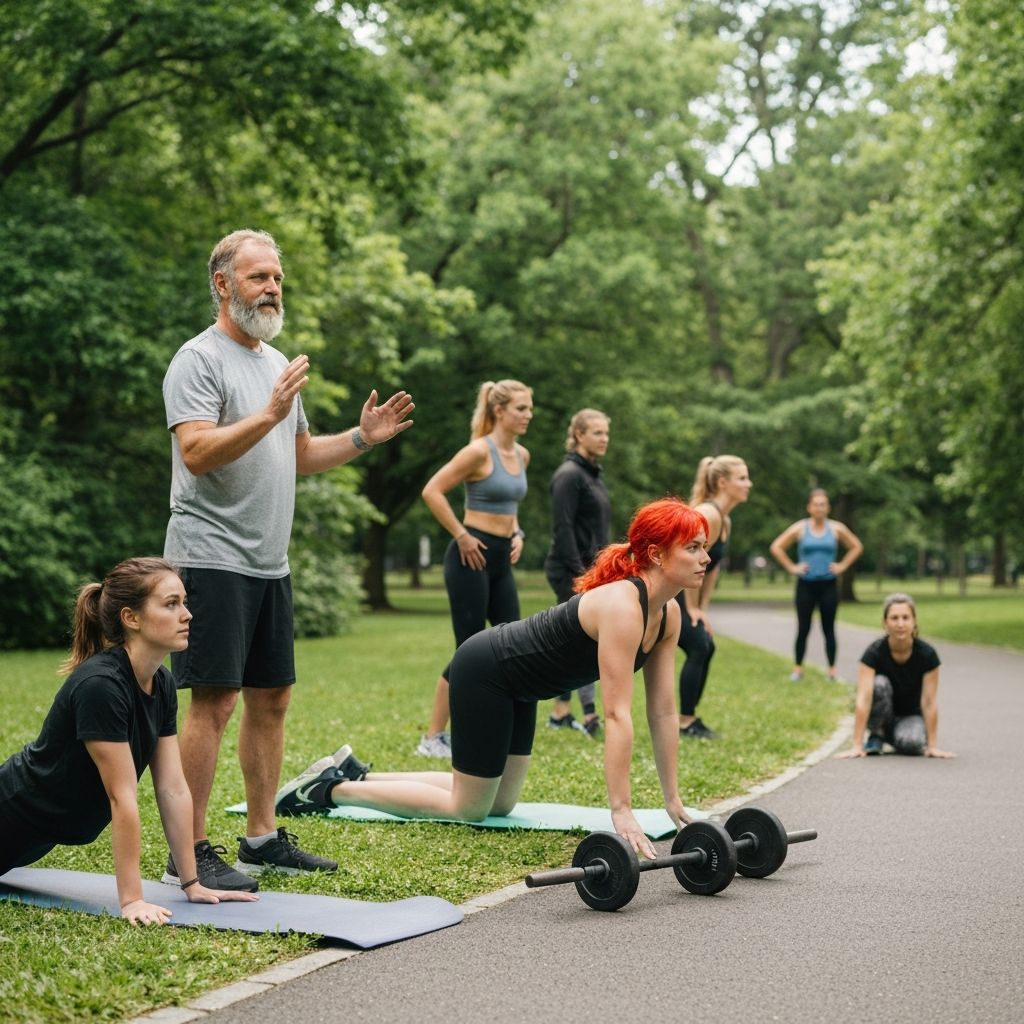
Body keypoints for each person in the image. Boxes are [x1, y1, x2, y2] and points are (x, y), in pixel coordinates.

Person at [162, 228, 414, 890]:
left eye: (277, 277)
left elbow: (299, 455)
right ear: (223, 285)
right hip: (210, 555)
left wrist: (363, 436)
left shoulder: (277, 365)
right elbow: (195, 451)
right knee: (213, 703)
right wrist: (270, 414)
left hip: (269, 561)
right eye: (258, 277)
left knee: (271, 697)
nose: (273, 287)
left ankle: (262, 839)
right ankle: (187, 850)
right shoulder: (198, 359)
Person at [276, 498, 711, 858]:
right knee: (468, 808)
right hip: (488, 670)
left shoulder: (667, 614)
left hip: (523, 689)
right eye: (692, 547)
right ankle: (332, 790)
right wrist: (621, 810)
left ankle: (358, 774)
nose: (705, 559)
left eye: (704, 547)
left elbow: (664, 711)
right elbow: (616, 715)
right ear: (656, 554)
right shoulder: (622, 606)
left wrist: (672, 800)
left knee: (499, 804)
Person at [0, 559, 259, 924]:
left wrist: (192, 883)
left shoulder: (162, 682)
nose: (186, 614)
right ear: (131, 618)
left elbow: (172, 788)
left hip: (29, 835)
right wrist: (132, 900)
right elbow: (121, 795)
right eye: (171, 604)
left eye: (184, 602)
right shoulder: (101, 687)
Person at [415, 380, 533, 759]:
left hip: (500, 559)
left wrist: (517, 533)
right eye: (521, 408)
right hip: (470, 556)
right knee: (469, 651)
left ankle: (497, 726)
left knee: (512, 643)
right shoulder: (478, 452)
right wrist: (462, 535)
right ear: (499, 411)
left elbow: (510, 507)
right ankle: (433, 737)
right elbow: (432, 490)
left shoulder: (523, 455)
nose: (528, 415)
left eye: (530, 408)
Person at [543, 408, 612, 735]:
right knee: (583, 641)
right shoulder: (568, 475)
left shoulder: (593, 475)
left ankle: (561, 713)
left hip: (593, 570)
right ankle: (587, 716)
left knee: (578, 641)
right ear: (579, 435)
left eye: (606, 433)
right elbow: (563, 528)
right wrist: (580, 574)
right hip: (571, 570)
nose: (604, 439)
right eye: (597, 432)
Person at [676, 455, 752, 739]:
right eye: (742, 478)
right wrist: (691, 608)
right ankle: (685, 721)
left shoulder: (724, 520)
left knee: (704, 646)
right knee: (699, 646)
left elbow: (711, 569)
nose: (749, 483)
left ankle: (688, 718)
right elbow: (687, 559)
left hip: (689, 595)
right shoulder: (708, 514)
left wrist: (703, 609)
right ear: (723, 482)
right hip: (674, 593)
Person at [836, 593, 955, 758]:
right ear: (885, 623)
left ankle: (893, 737)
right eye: (894, 618)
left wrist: (933, 746)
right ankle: (877, 734)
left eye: (906, 617)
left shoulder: (927, 655)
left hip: (911, 716)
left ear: (914, 621)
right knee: (879, 683)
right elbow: (863, 698)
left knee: (912, 744)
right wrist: (856, 745)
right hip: (880, 716)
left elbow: (929, 701)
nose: (900, 624)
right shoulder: (874, 653)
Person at [769, 488, 864, 682]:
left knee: (828, 628)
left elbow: (857, 546)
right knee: (803, 628)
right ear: (809, 507)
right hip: (806, 585)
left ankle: (832, 671)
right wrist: (792, 567)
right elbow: (776, 547)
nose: (819, 508)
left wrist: (842, 566)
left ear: (828, 507)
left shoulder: (837, 528)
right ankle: (797, 669)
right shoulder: (800, 528)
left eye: (823, 504)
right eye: (816, 504)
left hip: (828, 585)